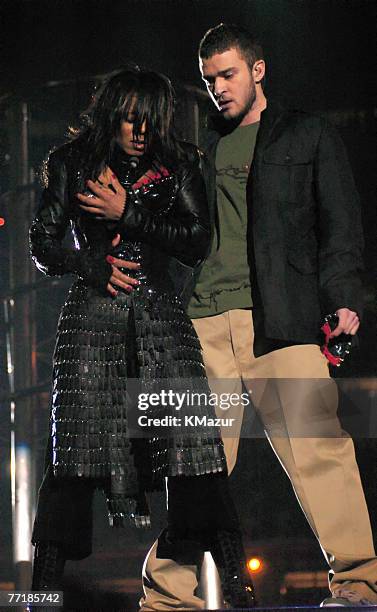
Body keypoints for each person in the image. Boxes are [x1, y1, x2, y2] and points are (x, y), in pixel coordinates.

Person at [140, 24, 377, 609]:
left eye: (228, 74)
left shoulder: (307, 134)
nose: (218, 87)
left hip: (279, 318)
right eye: (209, 79)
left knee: (320, 450)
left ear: (257, 69)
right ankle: (168, 598)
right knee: (197, 469)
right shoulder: (202, 150)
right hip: (200, 326)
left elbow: (340, 223)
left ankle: (358, 582)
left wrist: (344, 294)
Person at [29, 67, 255, 609]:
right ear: (112, 113)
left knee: (195, 449)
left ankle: (237, 582)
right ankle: (40, 593)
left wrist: (125, 213)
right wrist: (91, 265)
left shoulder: (180, 163)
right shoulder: (71, 162)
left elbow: (196, 242)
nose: (139, 131)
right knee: (74, 456)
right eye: (130, 119)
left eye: (149, 121)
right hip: (92, 322)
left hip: (161, 320)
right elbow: (42, 243)